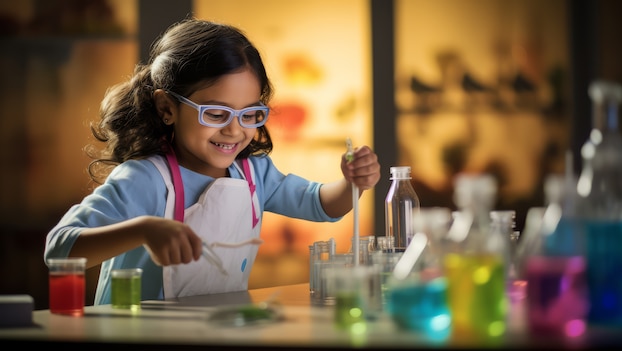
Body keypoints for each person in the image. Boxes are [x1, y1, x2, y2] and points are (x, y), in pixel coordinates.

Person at [44, 18, 381, 305]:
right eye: (216, 113)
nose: (234, 129)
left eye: (249, 114)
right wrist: (145, 230)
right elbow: (60, 250)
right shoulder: (144, 178)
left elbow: (321, 205)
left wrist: (352, 183)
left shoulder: (254, 174)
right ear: (167, 108)